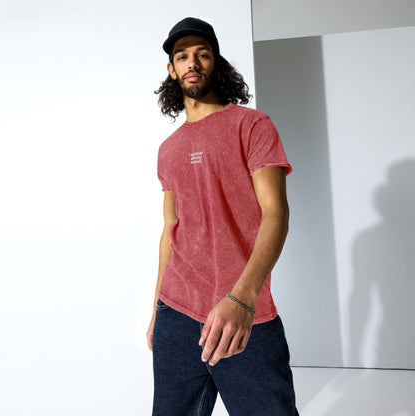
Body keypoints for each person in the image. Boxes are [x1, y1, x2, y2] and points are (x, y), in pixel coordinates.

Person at [147, 17, 299, 416]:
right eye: (182, 56)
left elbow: (276, 213)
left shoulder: (252, 125)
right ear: (172, 69)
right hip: (176, 315)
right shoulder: (167, 149)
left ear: (216, 63)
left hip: (243, 314)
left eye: (202, 54)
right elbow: (169, 232)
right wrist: (156, 313)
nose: (192, 62)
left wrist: (242, 299)